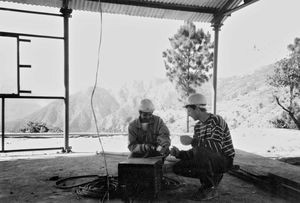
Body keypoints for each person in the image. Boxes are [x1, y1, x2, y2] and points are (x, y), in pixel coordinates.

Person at [170, 93, 235, 201]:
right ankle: (212, 177)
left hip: (224, 160)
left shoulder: (216, 120)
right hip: (210, 159)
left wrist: (192, 141)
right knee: (177, 167)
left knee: (202, 151)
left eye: (189, 111)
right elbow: (197, 150)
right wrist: (179, 153)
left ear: (197, 108)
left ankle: (209, 187)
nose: (188, 114)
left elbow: (215, 147)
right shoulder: (198, 126)